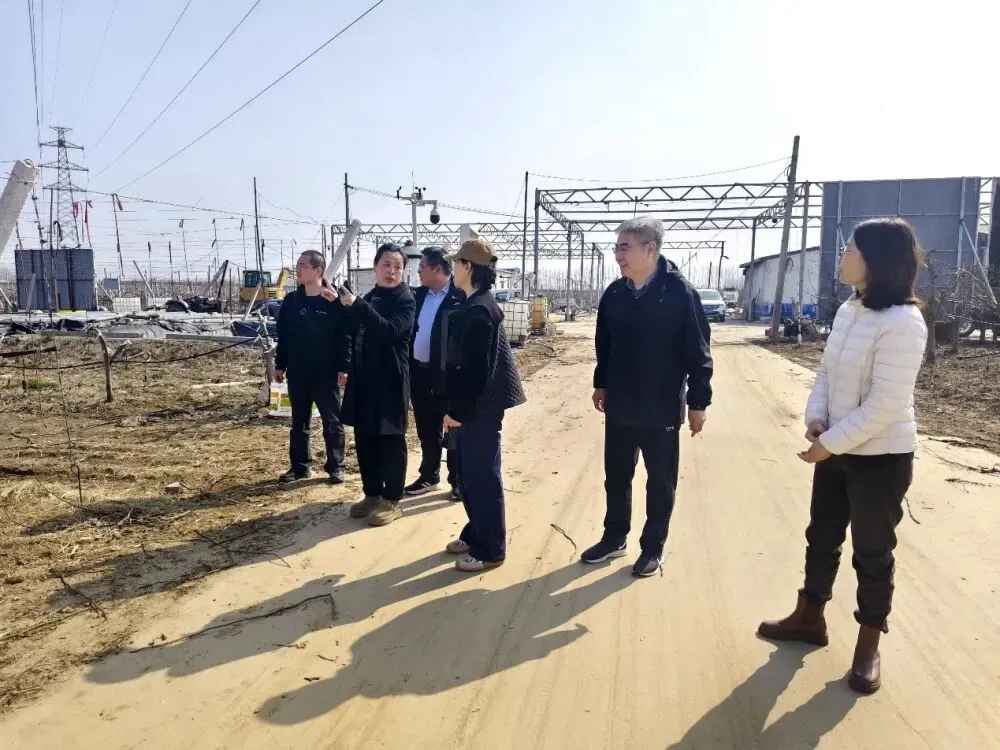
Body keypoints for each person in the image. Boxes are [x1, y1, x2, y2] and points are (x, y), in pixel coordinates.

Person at [758, 217, 927, 695]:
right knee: (822, 535)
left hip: (881, 457)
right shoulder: (850, 311)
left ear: (877, 260)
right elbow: (827, 373)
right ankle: (809, 617)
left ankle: (868, 644)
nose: (842, 256)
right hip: (835, 443)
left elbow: (886, 404)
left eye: (851, 248)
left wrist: (830, 443)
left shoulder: (904, 322)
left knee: (872, 552)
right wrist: (817, 418)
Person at [582, 215, 713, 578]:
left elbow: (698, 351)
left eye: (624, 247)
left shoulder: (679, 293)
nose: (618, 255)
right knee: (616, 476)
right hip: (620, 404)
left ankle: (653, 547)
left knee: (660, 481)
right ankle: (614, 537)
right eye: (616, 248)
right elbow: (604, 344)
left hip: (661, 407)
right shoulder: (615, 294)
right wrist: (601, 383)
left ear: (650, 249)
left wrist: (698, 402)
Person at [442, 238, 526, 572]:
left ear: (468, 267)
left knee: (481, 480)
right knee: (467, 478)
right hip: (473, 408)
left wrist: (457, 412)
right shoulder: (474, 302)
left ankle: (491, 550)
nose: (452, 268)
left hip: (478, 409)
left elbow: (476, 373)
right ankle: (476, 533)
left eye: (456, 263)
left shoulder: (479, 311)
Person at [339, 243, 416, 527]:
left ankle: (392, 499)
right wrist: (339, 304)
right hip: (364, 381)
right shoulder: (371, 297)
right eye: (386, 265)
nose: (391, 271)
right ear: (375, 267)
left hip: (391, 381)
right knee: (366, 439)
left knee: (390, 439)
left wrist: (357, 306)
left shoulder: (405, 300)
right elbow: (352, 329)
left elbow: (388, 331)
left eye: (397, 266)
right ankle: (372, 494)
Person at [273, 250, 350, 484]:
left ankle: (336, 466)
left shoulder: (331, 300)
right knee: (299, 422)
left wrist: (344, 367)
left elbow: (344, 336)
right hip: (298, 372)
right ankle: (300, 467)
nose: (298, 269)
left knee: (332, 422)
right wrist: (280, 364)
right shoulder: (292, 301)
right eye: (297, 265)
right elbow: (284, 335)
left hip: (325, 373)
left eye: (303, 265)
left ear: (318, 271)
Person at [405, 246, 466, 499]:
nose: (418, 272)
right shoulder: (418, 295)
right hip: (420, 373)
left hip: (448, 375)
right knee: (426, 428)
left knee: (453, 428)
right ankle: (429, 475)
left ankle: (458, 480)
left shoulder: (459, 297)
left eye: (422, 267)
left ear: (437, 269)